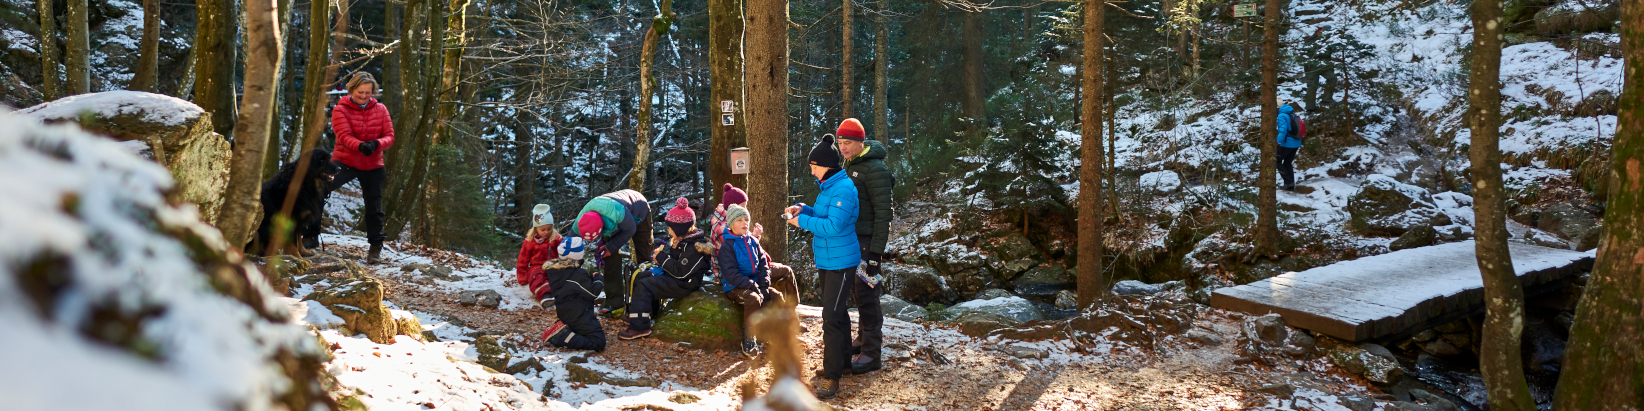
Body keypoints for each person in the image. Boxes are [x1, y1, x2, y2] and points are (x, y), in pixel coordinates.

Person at [783, 134, 860, 399]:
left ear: (827, 165)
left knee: (831, 317)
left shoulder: (844, 189)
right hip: (829, 260)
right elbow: (823, 215)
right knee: (839, 313)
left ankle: (832, 376)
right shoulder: (829, 187)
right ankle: (844, 363)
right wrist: (804, 209)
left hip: (841, 262)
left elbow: (833, 226)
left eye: (814, 166)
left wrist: (799, 223)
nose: (811, 170)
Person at [308, 72, 396, 264]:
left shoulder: (381, 109)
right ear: (352, 89)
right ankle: (310, 236)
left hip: (373, 164)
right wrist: (360, 146)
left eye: (368, 92)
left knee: (375, 207)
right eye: (360, 92)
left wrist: (375, 144)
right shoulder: (340, 109)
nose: (364, 96)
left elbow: (389, 136)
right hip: (345, 161)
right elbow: (343, 134)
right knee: (318, 190)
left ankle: (375, 249)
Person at [834, 118, 894, 375]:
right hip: (853, 240)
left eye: (847, 143)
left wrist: (876, 254)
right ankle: (862, 340)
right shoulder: (852, 164)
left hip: (868, 243)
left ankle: (872, 353)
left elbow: (884, 214)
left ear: (860, 143)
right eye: (840, 143)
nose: (843, 148)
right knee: (858, 292)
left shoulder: (876, 169)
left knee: (868, 292)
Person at [618, 198, 712, 340]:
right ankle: (644, 314)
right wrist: (660, 262)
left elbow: (681, 272)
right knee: (642, 276)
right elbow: (675, 263)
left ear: (679, 229)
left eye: (670, 227)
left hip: (685, 283)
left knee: (645, 285)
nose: (668, 230)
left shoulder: (693, 247)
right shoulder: (682, 241)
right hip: (677, 278)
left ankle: (640, 327)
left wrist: (662, 258)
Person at [718, 204, 787, 356]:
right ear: (731, 224)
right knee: (753, 299)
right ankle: (749, 338)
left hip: (755, 283)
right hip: (736, 286)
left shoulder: (753, 241)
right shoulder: (727, 246)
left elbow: (763, 265)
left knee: (775, 296)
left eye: (746, 219)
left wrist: (763, 286)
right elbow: (731, 273)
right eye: (739, 220)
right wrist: (751, 285)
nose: (744, 223)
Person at [572, 189, 654, 316]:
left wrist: (611, 247)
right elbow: (568, 242)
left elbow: (631, 229)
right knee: (608, 257)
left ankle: (649, 302)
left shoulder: (616, 213)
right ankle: (614, 303)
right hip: (609, 219)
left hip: (638, 210)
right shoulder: (581, 220)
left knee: (644, 258)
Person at [540, 237, 607, 351]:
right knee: (598, 342)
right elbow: (592, 292)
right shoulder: (577, 274)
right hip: (578, 315)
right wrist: (599, 279)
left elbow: (575, 288)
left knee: (588, 333)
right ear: (578, 255)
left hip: (567, 313)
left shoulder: (558, 271)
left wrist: (591, 279)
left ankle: (566, 330)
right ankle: (561, 336)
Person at [516, 204, 562, 308]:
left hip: (553, 265)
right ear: (536, 228)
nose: (546, 232)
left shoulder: (556, 239)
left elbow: (564, 250)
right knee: (536, 277)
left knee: (559, 276)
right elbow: (522, 260)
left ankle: (562, 294)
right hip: (536, 267)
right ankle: (545, 295)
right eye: (543, 229)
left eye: (549, 229)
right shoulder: (529, 241)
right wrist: (522, 277)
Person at [1301, 25, 1339, 111]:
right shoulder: (1310, 41)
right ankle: (1310, 108)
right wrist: (1307, 65)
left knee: (1332, 78)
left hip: (1325, 66)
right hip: (1312, 67)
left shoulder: (1330, 40)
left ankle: (1326, 100)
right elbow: (1304, 55)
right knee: (1312, 86)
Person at [1277, 102, 1302, 191]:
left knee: (1276, 161)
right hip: (1296, 143)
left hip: (1287, 143)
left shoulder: (1282, 116)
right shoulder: (1291, 113)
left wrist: (1278, 142)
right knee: (1287, 162)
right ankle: (1290, 185)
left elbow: (1283, 131)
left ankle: (1288, 182)